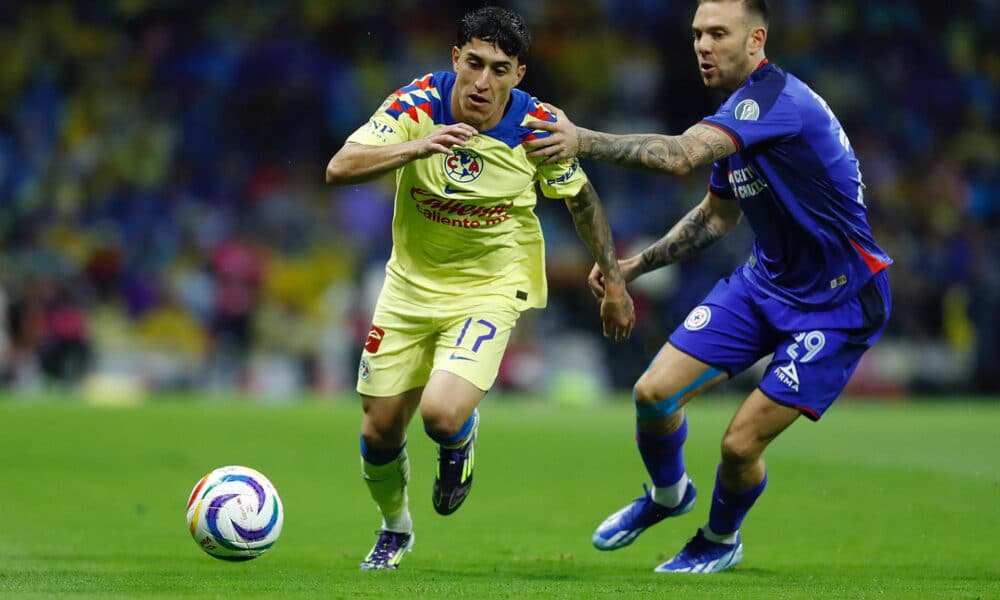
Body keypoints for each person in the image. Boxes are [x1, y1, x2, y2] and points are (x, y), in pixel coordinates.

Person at [524, 0, 892, 574]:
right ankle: (669, 496)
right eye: (697, 33)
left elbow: (678, 157)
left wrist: (581, 140)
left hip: (837, 303)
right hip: (766, 283)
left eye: (718, 33)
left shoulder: (773, 101)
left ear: (756, 40)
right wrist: (634, 265)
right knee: (652, 394)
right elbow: (718, 217)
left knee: (739, 445)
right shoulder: (738, 117)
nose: (702, 45)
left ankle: (719, 540)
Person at [325, 6, 635, 571]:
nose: (482, 81)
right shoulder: (416, 104)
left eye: (499, 69)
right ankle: (395, 527)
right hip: (409, 286)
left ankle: (458, 440)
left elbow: (582, 201)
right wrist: (415, 148)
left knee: (440, 414)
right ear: (455, 59)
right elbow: (340, 166)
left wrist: (614, 282)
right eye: (473, 63)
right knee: (379, 429)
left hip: (491, 286)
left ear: (518, 74)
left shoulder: (538, 126)